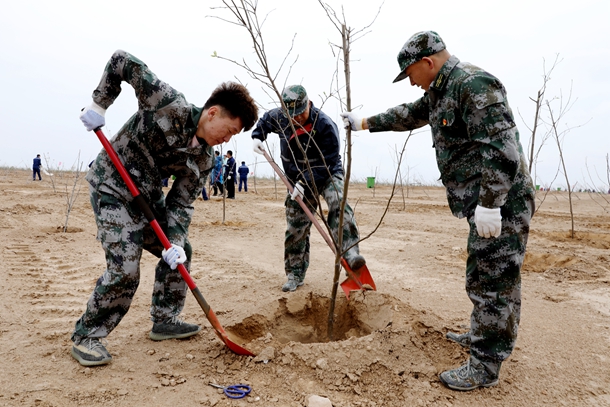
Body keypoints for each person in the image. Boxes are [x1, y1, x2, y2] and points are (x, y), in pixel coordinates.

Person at [341, 31, 535, 391]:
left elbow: (501, 148)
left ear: (427, 63)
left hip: (502, 200)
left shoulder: (473, 85)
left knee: (494, 281)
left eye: (410, 74)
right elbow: (408, 115)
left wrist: (491, 205)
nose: (411, 83)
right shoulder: (439, 93)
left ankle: (485, 365)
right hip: (484, 202)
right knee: (483, 274)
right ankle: (484, 336)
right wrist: (364, 123)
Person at [72, 49, 258, 367]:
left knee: (181, 249)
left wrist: (174, 241)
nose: (227, 140)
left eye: (233, 137)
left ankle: (165, 319)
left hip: (147, 198)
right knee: (126, 269)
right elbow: (121, 61)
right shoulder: (168, 102)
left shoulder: (204, 159)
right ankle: (88, 335)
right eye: (228, 131)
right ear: (212, 113)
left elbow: (181, 204)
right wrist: (99, 104)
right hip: (113, 186)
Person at [252, 84, 366, 292]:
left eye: (300, 114)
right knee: (296, 227)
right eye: (292, 115)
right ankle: (295, 274)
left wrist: (305, 183)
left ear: (308, 105)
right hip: (295, 180)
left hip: (326, 174)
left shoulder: (325, 125)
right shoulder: (281, 117)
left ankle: (349, 252)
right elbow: (266, 120)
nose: (297, 119)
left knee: (338, 202)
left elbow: (328, 161)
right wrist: (257, 136)